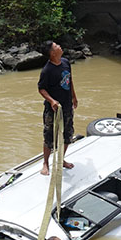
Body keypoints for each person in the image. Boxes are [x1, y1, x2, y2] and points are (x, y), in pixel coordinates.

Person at [38, 40, 78, 175]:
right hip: (53, 109)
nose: (60, 46)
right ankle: (45, 163)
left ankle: (61, 160)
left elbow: (69, 80)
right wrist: (51, 100)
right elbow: (41, 89)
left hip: (67, 106)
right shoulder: (47, 70)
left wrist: (74, 97)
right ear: (52, 53)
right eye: (56, 46)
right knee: (49, 137)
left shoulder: (66, 62)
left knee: (67, 135)